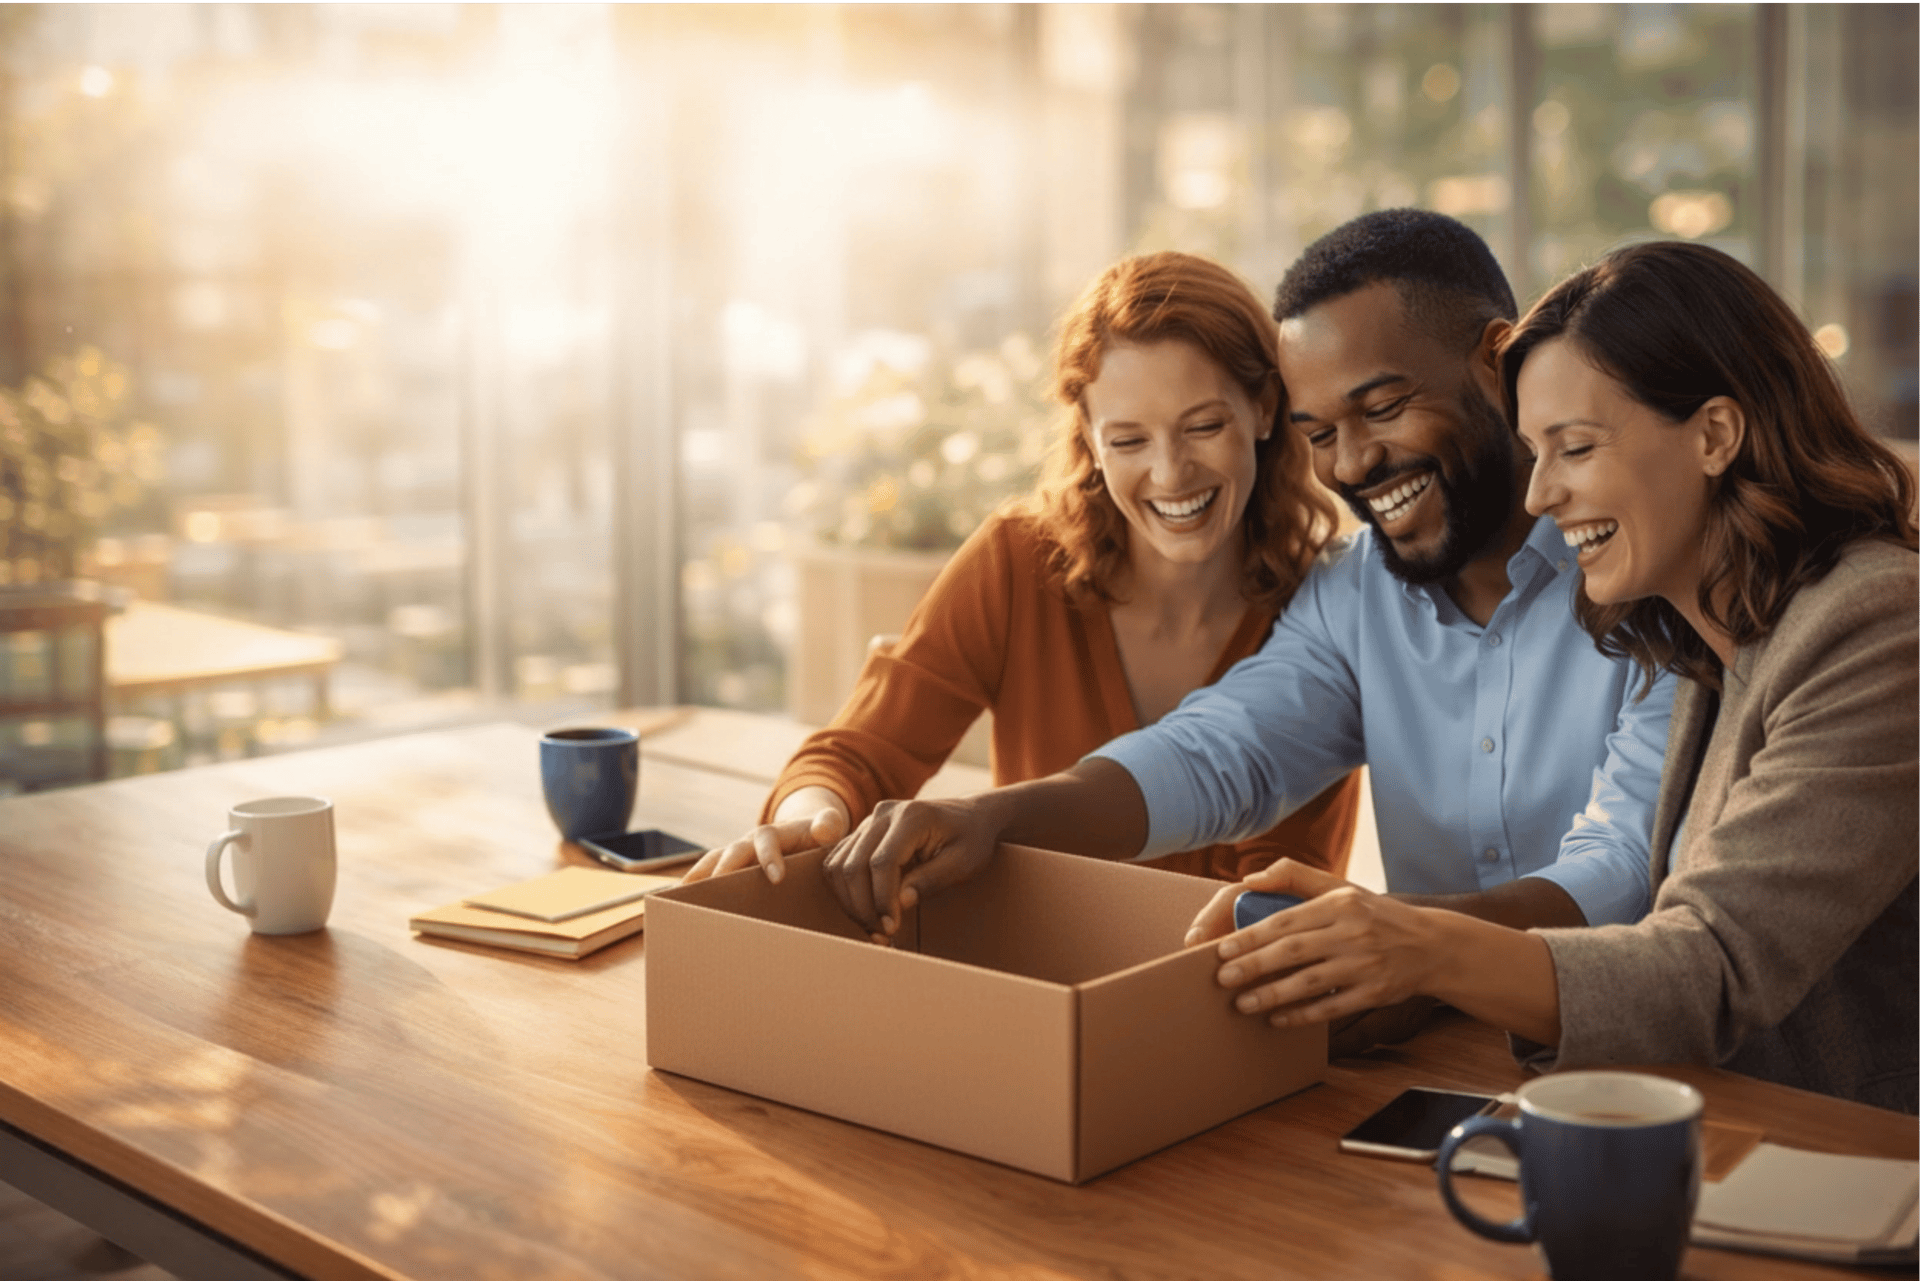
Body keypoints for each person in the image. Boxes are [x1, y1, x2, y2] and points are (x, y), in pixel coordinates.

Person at [813, 210, 1675, 1023]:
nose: (1354, 463)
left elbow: (1625, 864)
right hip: (1439, 1054)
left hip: (1640, 1051)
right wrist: (994, 817)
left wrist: (1411, 947)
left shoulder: (1644, 570)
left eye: (1381, 408)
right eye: (1321, 433)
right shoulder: (1351, 597)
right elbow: (1215, 753)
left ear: (1497, 362)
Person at [1193, 241, 1918, 1113]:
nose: (1538, 496)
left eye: (1574, 448)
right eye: (1534, 451)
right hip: (1727, 1126)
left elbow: (1715, 960)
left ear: (1715, 435)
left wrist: (1420, 945)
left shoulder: (1875, 624)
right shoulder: (1696, 639)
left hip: (1866, 1150)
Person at [684, 251, 1363, 896]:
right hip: (1015, 968)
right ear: (1089, 437)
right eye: (1128, 439)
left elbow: (1278, 895)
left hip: (1218, 973)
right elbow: (859, 753)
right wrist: (813, 822)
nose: (1169, 471)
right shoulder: (1018, 562)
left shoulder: (1324, 615)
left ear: (1264, 408)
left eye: (1203, 426)